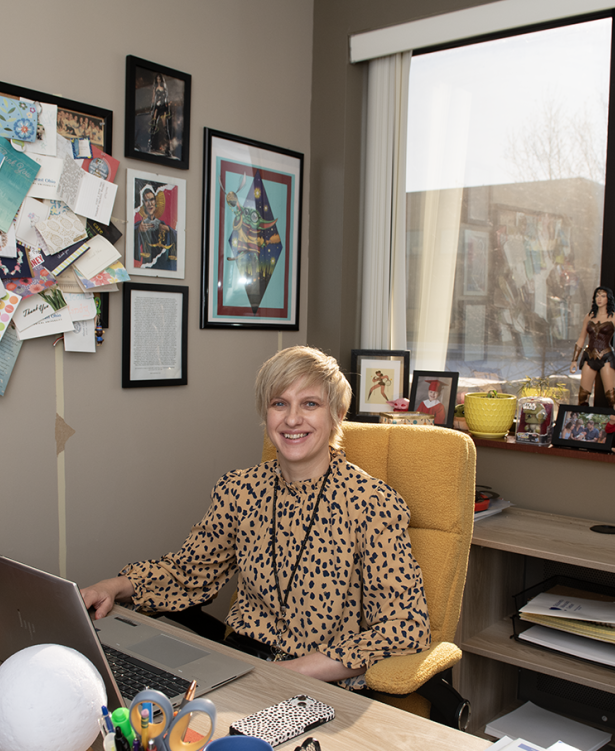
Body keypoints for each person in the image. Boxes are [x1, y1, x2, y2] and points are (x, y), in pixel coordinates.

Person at [80, 346, 430, 689]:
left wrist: (290, 672)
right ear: (266, 414)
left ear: (337, 414)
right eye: (280, 403)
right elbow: (189, 573)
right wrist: (112, 587)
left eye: (310, 404)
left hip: (320, 684)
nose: (292, 419)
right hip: (238, 667)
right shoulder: (240, 490)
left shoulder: (371, 503)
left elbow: (406, 626)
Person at [570, 287, 615, 407]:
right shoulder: (589, 316)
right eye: (597, 295)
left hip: (606, 356)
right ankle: (582, 422)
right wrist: (574, 360)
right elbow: (582, 338)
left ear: (608, 299)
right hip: (589, 356)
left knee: (611, 396)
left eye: (603, 296)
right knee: (582, 396)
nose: (599, 299)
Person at [133, 185, 177, 270]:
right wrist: (138, 230)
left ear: (155, 201)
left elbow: (179, 239)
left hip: (163, 265)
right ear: (143, 203)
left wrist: (168, 229)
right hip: (148, 266)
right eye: (146, 200)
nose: (150, 203)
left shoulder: (162, 224)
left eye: (152, 199)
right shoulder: (141, 225)